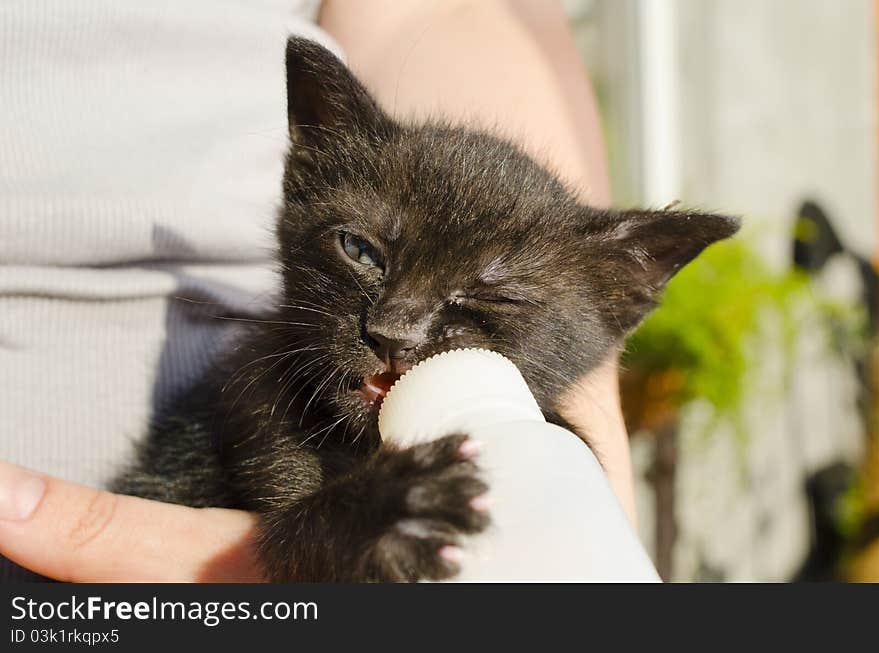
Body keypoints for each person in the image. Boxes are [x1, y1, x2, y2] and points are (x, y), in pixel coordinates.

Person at [0, 0, 635, 581]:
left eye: (500, 297)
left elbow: (449, 11)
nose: (395, 326)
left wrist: (594, 519)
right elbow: (302, 518)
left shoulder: (554, 449)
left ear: (613, 307)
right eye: (359, 252)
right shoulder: (273, 396)